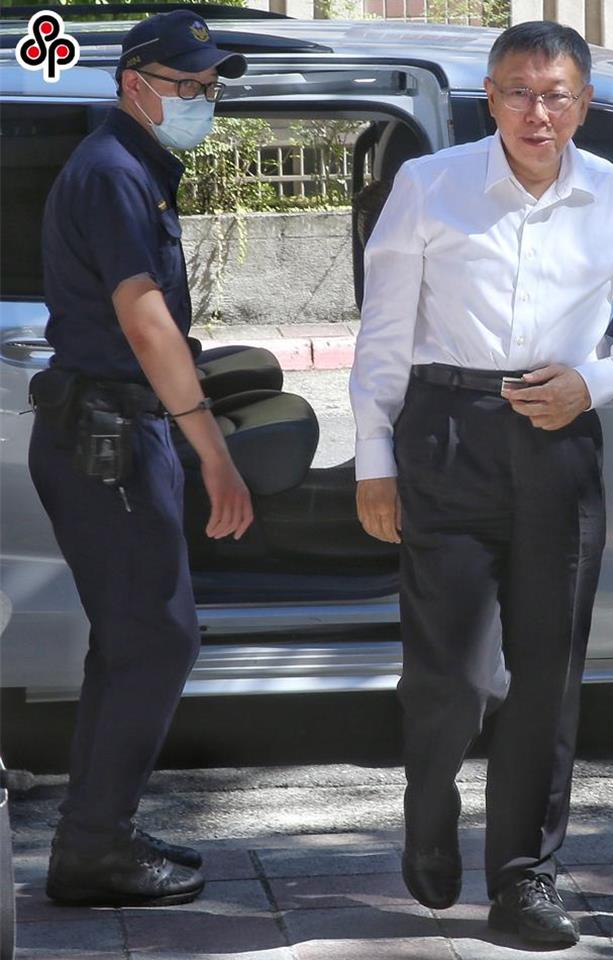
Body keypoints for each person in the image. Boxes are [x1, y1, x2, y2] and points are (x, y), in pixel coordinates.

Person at [351, 20, 613, 947]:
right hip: (447, 433)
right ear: (490, 98)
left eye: (555, 95)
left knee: (548, 675)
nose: (536, 113)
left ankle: (523, 877)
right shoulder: (431, 185)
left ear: (584, 103)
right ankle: (430, 799)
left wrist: (598, 380)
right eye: (517, 92)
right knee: (456, 675)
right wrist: (374, 457)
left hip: (557, 437)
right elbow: (384, 332)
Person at [29, 11, 253, 907]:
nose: (202, 99)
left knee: (127, 645)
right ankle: (93, 851)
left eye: (210, 87)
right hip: (108, 443)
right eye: (186, 85)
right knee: (159, 640)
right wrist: (214, 453)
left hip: (117, 433)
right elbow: (146, 321)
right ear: (135, 85)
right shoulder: (115, 172)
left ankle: (98, 832)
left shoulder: (134, 166)